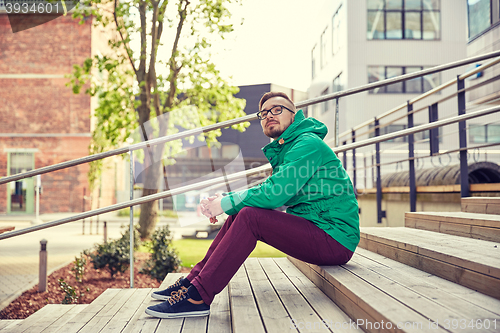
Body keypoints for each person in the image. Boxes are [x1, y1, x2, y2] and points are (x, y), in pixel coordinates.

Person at [145, 91, 359, 319]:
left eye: (277, 109)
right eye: (264, 113)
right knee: (244, 213)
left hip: (334, 238)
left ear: (294, 115)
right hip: (317, 228)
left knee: (249, 217)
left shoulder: (307, 145)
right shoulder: (290, 147)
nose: (269, 115)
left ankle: (199, 295)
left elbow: (274, 194)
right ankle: (192, 282)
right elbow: (269, 189)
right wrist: (225, 200)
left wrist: (224, 203)